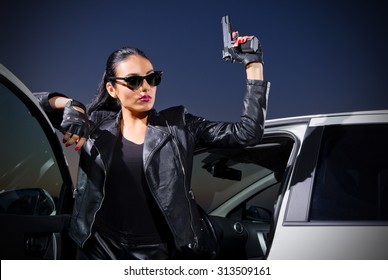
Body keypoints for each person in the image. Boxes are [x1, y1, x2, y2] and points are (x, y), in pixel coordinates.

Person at [34, 33, 270, 259]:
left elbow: (247, 134)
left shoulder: (180, 124)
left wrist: (253, 65)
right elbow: (29, 102)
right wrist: (72, 105)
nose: (145, 87)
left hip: (158, 253)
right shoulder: (93, 124)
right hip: (98, 247)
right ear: (111, 89)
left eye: (152, 78)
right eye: (134, 81)